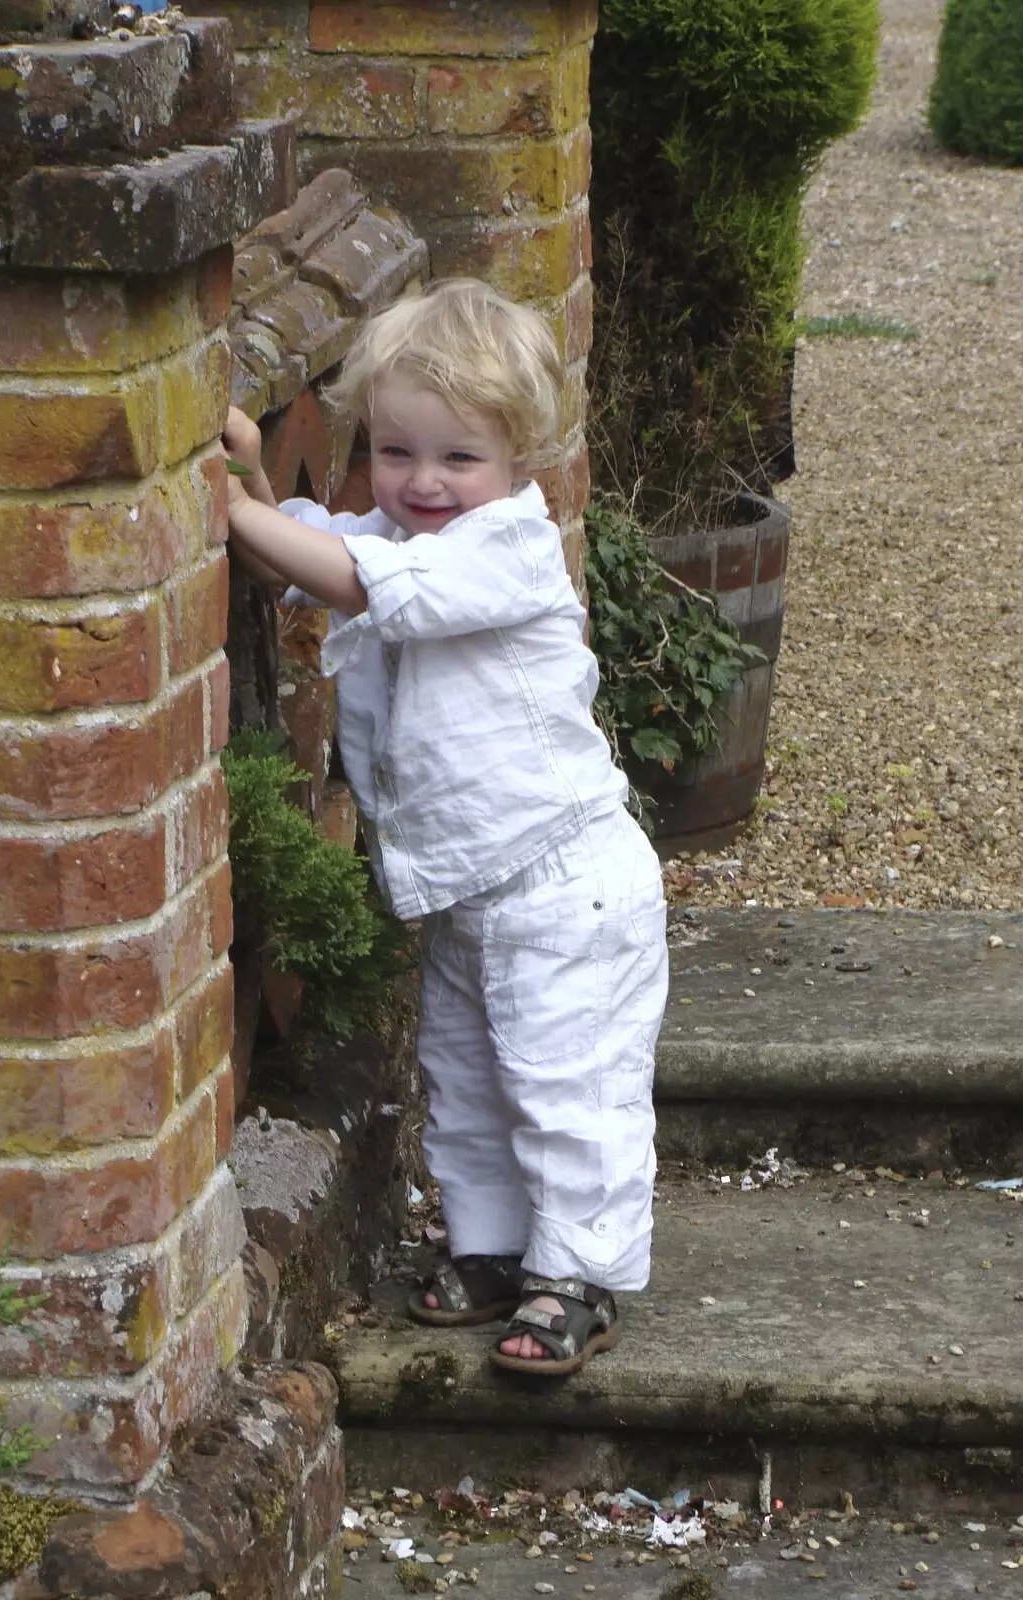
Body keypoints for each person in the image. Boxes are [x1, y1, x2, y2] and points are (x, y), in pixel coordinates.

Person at [223, 277, 668, 1376]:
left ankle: (577, 1271)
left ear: (518, 456)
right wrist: (245, 478)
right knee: (464, 1074)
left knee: (568, 1082)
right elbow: (329, 540)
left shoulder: (506, 550)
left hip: (565, 880)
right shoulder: (398, 529)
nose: (422, 483)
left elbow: (377, 585)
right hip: (470, 886)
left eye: (456, 458)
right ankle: (488, 1244)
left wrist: (237, 520)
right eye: (393, 450)